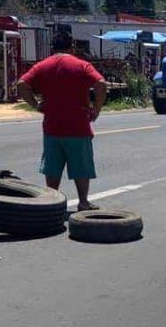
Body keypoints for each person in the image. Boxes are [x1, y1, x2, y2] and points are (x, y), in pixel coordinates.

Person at [15, 32, 108, 211]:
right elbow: (101, 85)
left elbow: (21, 84)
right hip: (78, 127)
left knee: (52, 168)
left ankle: (52, 203)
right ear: (71, 48)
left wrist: (35, 104)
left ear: (53, 48)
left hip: (52, 127)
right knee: (81, 167)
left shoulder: (42, 66)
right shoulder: (82, 65)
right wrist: (96, 109)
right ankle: (83, 202)